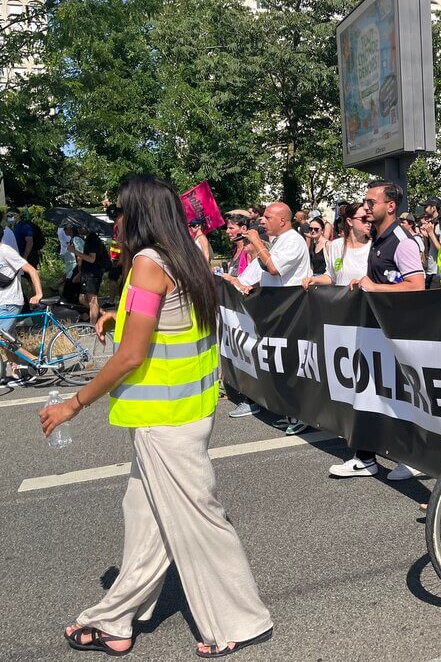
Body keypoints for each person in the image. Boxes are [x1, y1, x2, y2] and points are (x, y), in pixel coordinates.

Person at [39, 174, 272, 658]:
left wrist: (72, 405)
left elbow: (131, 356)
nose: (114, 223)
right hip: (188, 412)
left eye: (118, 213)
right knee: (147, 517)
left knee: (198, 518)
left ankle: (241, 620)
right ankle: (116, 620)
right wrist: (114, 317)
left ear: (139, 214)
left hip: (164, 418)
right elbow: (164, 324)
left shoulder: (147, 264)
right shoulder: (186, 257)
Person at [327, 181, 425, 480]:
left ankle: (418, 457)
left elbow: (416, 286)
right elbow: (380, 278)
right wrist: (363, 283)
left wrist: (373, 286)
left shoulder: (402, 241)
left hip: (400, 332)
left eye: (371, 202)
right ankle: (365, 457)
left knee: (405, 396)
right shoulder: (379, 239)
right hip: (377, 330)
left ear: (390, 206)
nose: (366, 207)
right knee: (369, 391)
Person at [233, 202, 311, 434]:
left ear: (283, 221)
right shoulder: (279, 241)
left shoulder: (293, 240)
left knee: (291, 361)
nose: (262, 222)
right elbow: (266, 271)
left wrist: (256, 242)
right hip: (276, 308)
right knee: (278, 361)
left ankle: (301, 413)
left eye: (267, 217)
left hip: (291, 309)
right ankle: (289, 410)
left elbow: (275, 268)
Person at [0, 239, 43, 384]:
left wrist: (38, 294)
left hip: (11, 302)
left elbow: (31, 270)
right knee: (8, 338)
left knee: (2, 338)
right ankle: (16, 371)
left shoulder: (6, 251)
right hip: (1, 303)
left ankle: (34, 361)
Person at [301, 202, 372, 289]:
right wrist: (314, 280)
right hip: (341, 301)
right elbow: (331, 277)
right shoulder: (336, 245)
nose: (368, 222)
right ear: (349, 221)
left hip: (363, 300)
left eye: (369, 218)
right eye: (364, 219)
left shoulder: (373, 247)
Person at [72, 228, 107, 324]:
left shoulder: (91, 239)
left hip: (92, 273)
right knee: (82, 298)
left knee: (92, 300)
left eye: (81, 227)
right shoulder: (90, 238)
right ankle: (103, 313)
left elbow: (91, 259)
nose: (79, 229)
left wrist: (75, 251)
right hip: (88, 272)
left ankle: (93, 325)